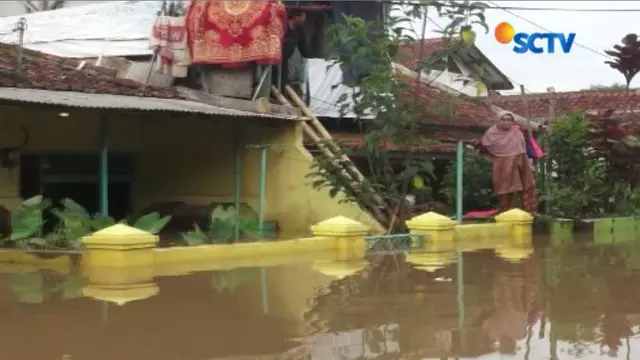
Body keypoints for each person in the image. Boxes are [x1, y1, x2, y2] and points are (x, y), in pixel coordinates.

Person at [477, 112, 538, 213]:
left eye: (509, 120)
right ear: (497, 120)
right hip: (503, 164)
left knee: (527, 186)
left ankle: (529, 213)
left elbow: (523, 148)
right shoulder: (491, 134)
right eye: (503, 119)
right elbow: (485, 150)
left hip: (521, 162)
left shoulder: (517, 132)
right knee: (504, 189)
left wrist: (528, 162)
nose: (507, 122)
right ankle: (505, 213)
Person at [272, 8, 310, 90]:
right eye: (303, 17)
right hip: (273, 61)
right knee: (272, 82)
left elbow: (304, 50)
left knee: (283, 82)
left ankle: (279, 98)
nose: (305, 20)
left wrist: (311, 57)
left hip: (284, 62)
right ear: (296, 17)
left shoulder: (300, 31)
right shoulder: (282, 26)